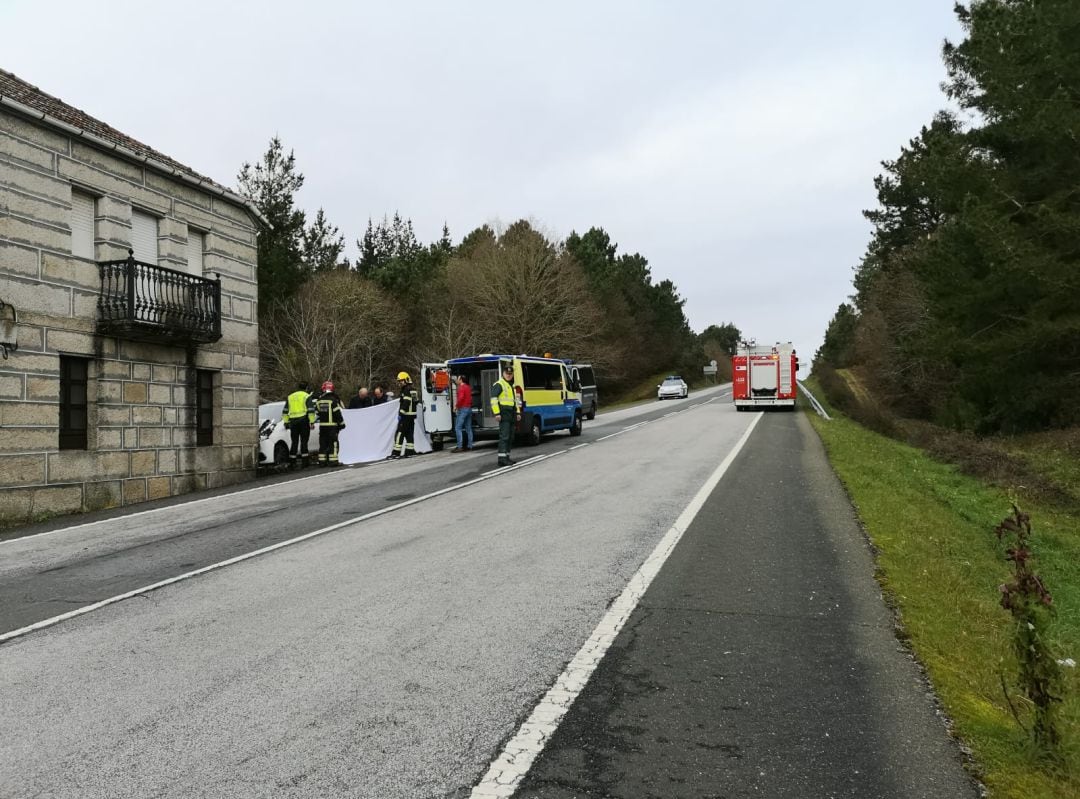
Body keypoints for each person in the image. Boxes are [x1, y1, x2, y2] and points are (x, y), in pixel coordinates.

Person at [490, 363, 522, 467]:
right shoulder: (499, 384)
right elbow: (493, 400)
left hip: (511, 413)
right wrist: (497, 413)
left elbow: (515, 401)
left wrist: (518, 412)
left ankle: (507, 457)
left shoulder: (511, 385)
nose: (508, 375)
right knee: (504, 437)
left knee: (510, 437)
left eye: (510, 373)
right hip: (503, 413)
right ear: (503, 373)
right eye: (507, 373)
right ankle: (502, 459)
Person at [281, 380, 316, 468]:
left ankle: (292, 462)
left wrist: (286, 422)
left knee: (294, 442)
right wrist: (312, 422)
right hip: (303, 421)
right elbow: (311, 410)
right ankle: (305, 462)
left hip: (293, 422)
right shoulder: (306, 396)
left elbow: (285, 411)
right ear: (306, 388)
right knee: (304, 441)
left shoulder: (290, 397)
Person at [313, 380, 346, 466]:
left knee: (323, 444)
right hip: (332, 427)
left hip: (322, 426)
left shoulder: (319, 401)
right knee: (333, 443)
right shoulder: (333, 400)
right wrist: (342, 424)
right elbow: (337, 413)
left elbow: (317, 413)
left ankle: (322, 462)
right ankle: (333, 461)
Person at [391, 371, 419, 458]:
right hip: (412, 416)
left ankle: (396, 453)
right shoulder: (413, 389)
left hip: (405, 416)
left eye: (401, 381)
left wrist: (401, 413)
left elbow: (406, 402)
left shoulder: (406, 390)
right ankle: (409, 451)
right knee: (409, 434)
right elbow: (416, 401)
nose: (399, 383)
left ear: (406, 380)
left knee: (400, 433)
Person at [452, 374, 474, 452]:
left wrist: (456, 406)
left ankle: (459, 446)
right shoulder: (468, 387)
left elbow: (461, 398)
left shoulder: (461, 388)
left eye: (458, 379)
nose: (457, 380)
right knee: (468, 428)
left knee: (458, 428)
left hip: (463, 409)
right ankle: (470, 446)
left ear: (461, 380)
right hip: (469, 408)